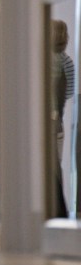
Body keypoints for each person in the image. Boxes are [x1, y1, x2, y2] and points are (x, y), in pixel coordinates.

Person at [52, 19, 74, 217]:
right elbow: (70, 92)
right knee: (56, 164)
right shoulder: (66, 60)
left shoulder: (41, 59)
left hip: (43, 121)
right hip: (57, 121)